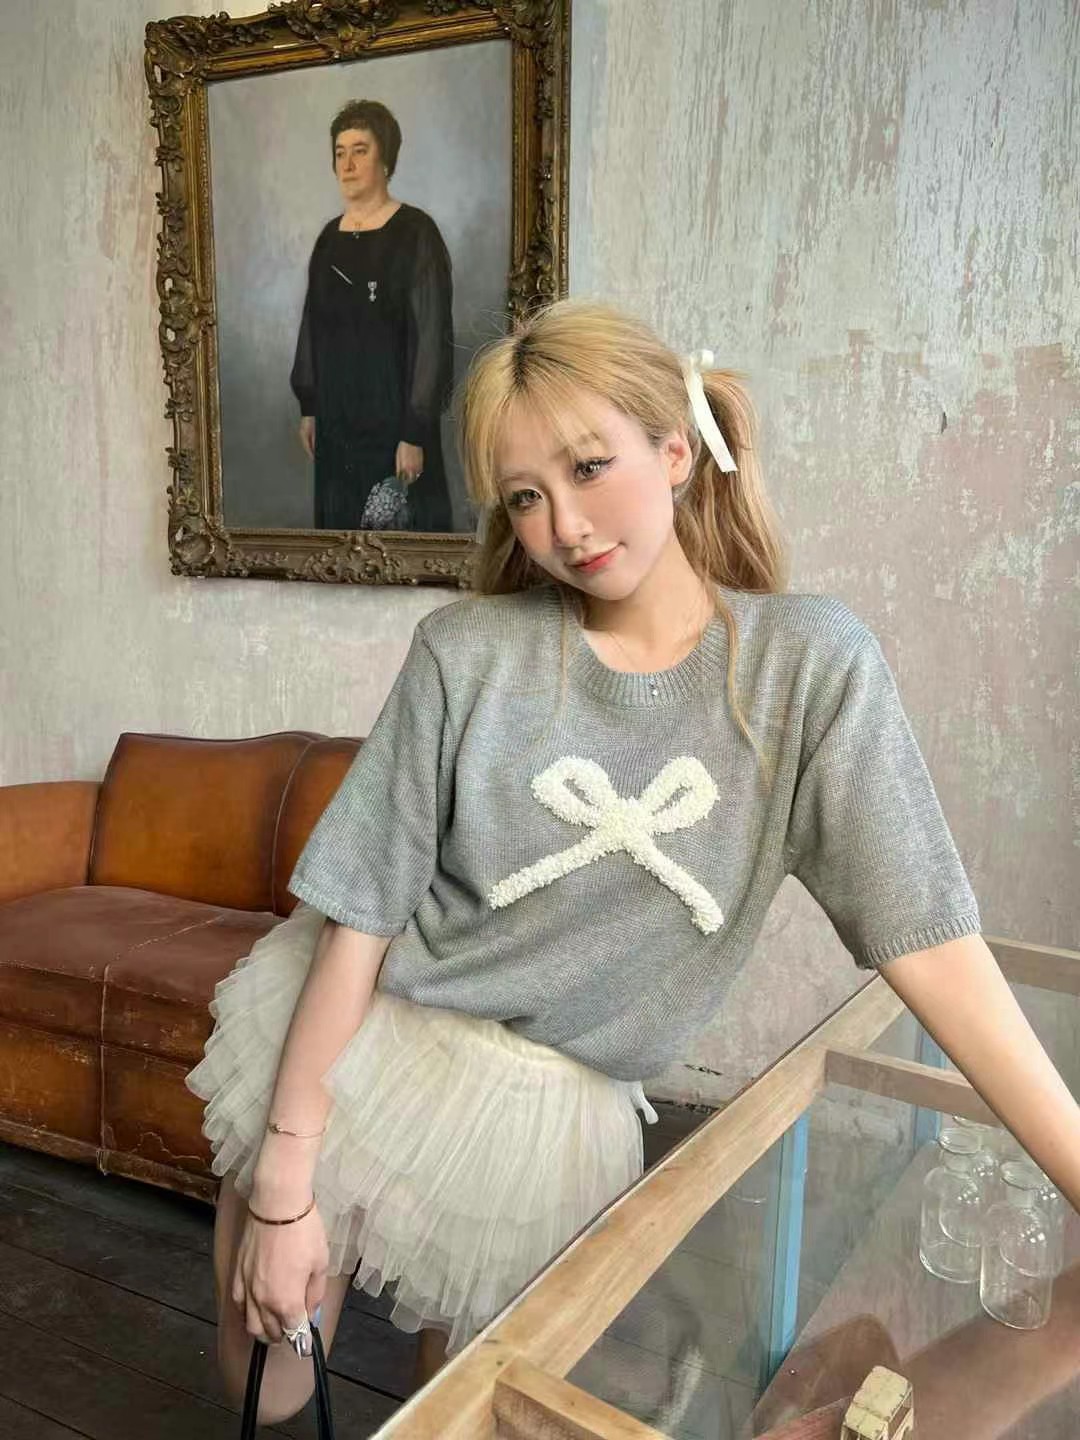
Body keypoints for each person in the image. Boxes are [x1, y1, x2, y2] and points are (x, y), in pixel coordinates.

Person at [188, 300, 1080, 1427]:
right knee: (267, 1381)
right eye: (525, 497)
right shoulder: (467, 653)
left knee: (461, 1412)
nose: (565, 525)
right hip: (365, 1052)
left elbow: (932, 942)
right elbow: (359, 913)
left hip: (554, 1123)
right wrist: (284, 1179)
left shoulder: (809, 669)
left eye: (589, 468)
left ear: (676, 450)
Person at [290, 99, 455, 532]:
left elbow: (432, 337)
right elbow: (312, 326)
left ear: (386, 159)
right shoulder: (329, 239)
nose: (347, 164)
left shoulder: (416, 232)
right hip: (337, 425)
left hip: (396, 428)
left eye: (360, 151)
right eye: (340, 153)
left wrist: (414, 432)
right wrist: (310, 408)